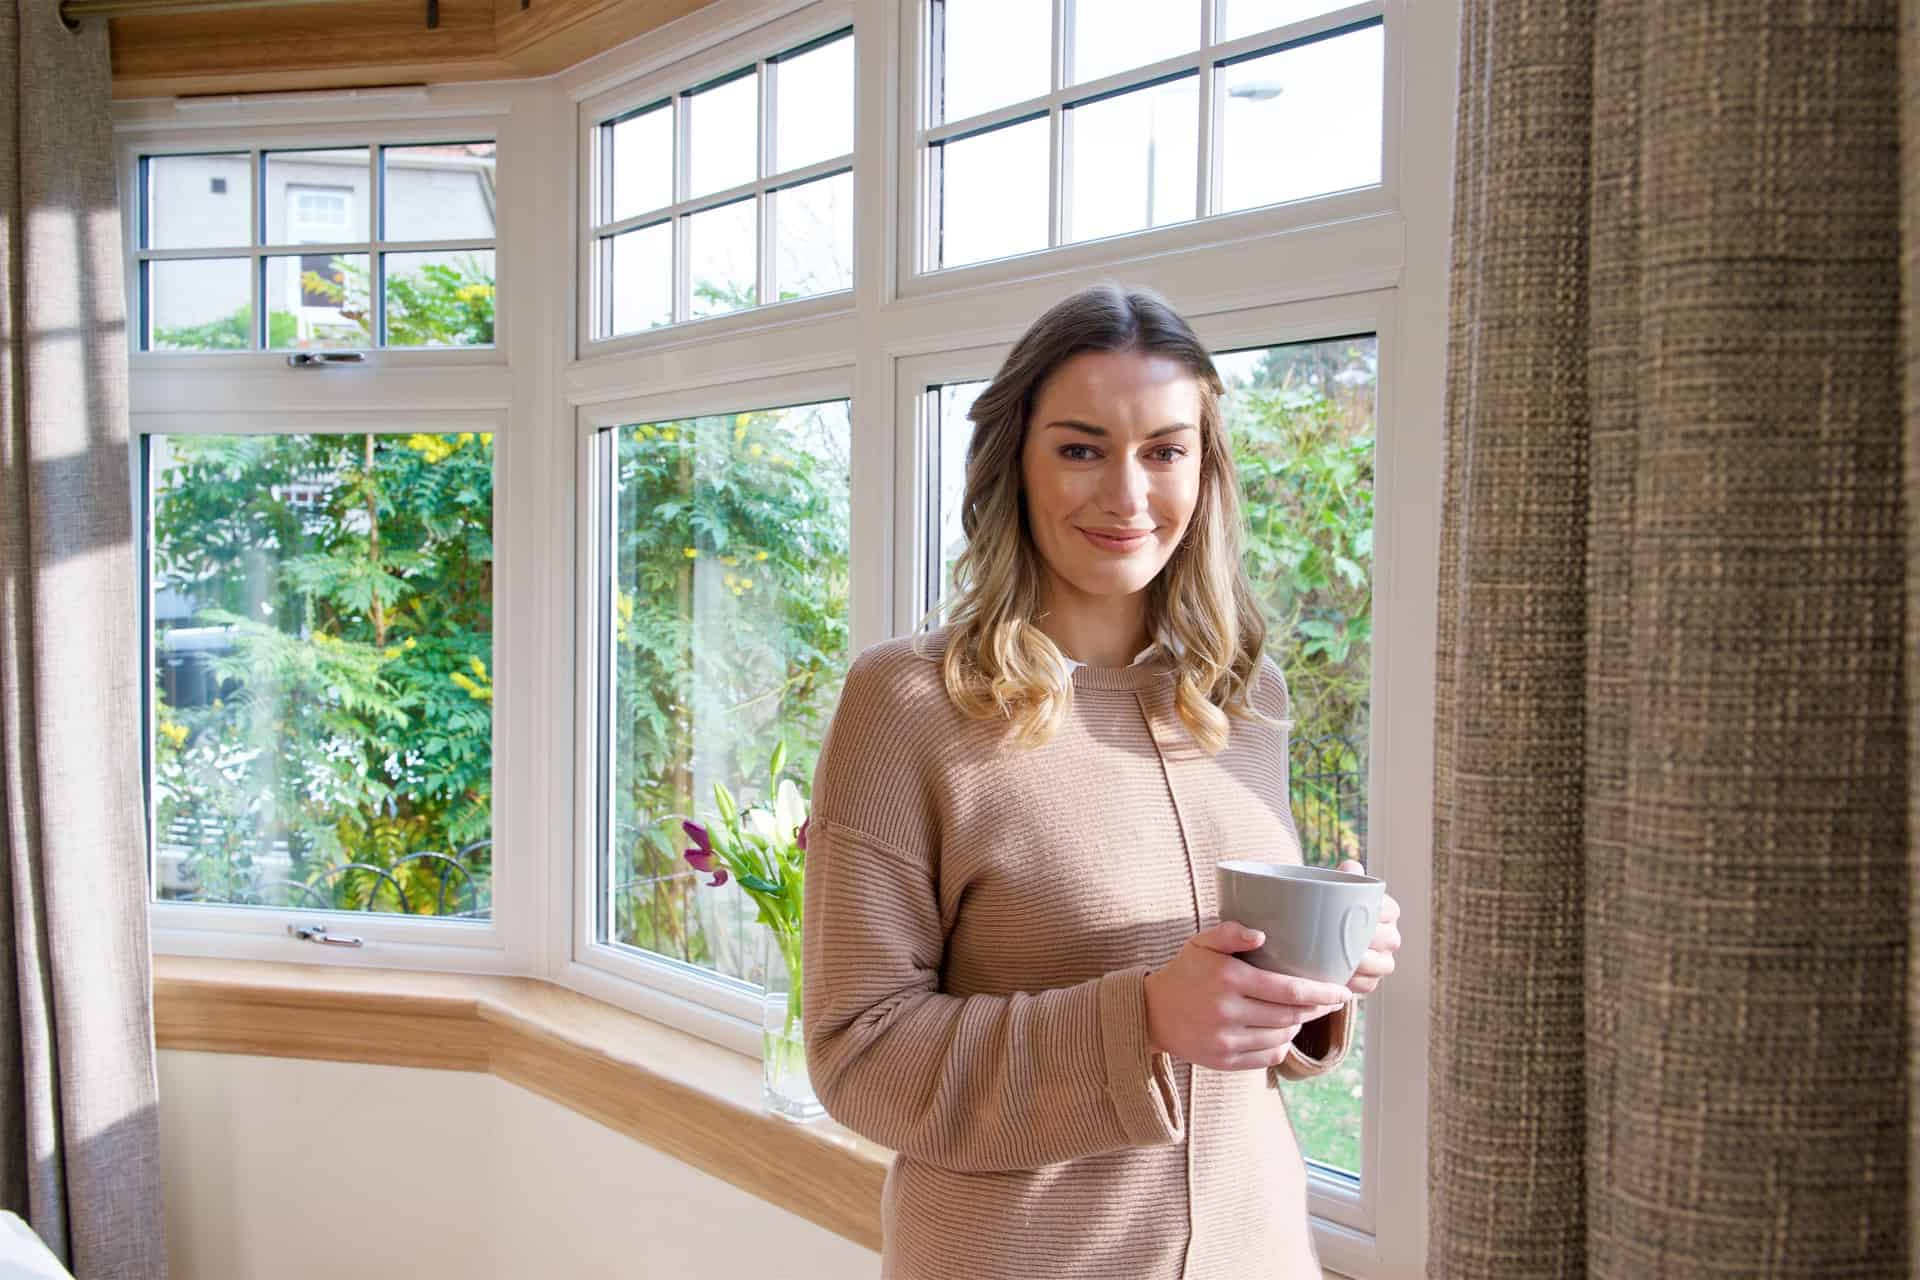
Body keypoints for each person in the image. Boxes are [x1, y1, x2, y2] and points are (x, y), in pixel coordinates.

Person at [801, 283, 1403, 1279]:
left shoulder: (1245, 698)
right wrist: (1145, 1020)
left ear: (1204, 473)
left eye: (1165, 450)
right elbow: (859, 1055)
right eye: (1081, 448)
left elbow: (1237, 1035)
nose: (1127, 495)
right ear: (1016, 465)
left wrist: (1312, 983)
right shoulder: (907, 702)